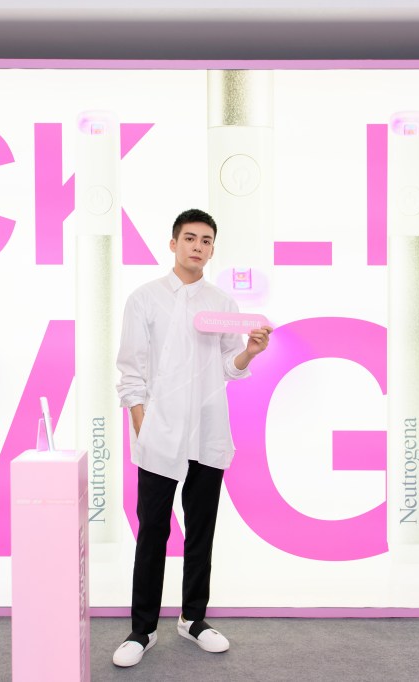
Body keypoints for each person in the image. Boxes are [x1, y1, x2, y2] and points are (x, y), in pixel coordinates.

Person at [112, 208, 272, 668]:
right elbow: (131, 368)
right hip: (160, 434)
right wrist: (143, 425)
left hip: (206, 431)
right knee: (153, 532)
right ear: (173, 244)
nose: (197, 246)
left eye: (206, 240)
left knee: (201, 530)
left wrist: (249, 353)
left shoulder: (222, 305)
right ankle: (142, 629)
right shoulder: (144, 299)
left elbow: (228, 369)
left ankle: (193, 619)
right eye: (190, 238)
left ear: (212, 249)